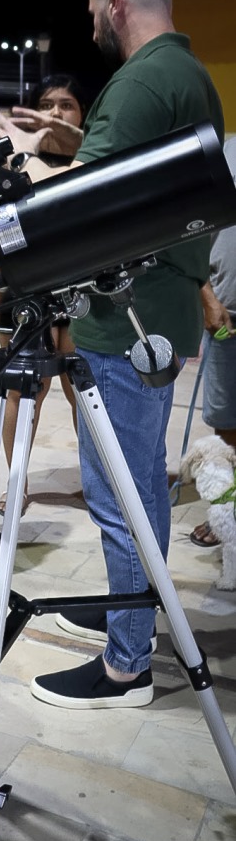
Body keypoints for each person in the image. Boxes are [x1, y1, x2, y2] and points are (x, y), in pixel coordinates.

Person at [0, 0, 224, 709]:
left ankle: (125, 666)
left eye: (91, 15)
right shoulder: (189, 75)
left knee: (117, 489)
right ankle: (131, 617)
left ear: (116, 3)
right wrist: (63, 138)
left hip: (126, 318)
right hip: (160, 307)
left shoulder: (141, 79)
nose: (92, 28)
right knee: (141, 480)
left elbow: (87, 202)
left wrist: (15, 157)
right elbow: (140, 178)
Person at [0, 73, 88, 516]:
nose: (55, 113)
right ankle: (17, 484)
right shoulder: (15, 164)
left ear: (81, 114)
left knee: (80, 390)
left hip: (81, 288)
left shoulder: (93, 160)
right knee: (23, 392)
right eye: (47, 104)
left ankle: (95, 481)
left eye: (66, 105)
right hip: (28, 291)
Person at [190, 140, 236, 548]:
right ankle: (227, 512)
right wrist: (207, 296)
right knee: (226, 422)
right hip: (229, 312)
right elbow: (196, 230)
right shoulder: (225, 152)